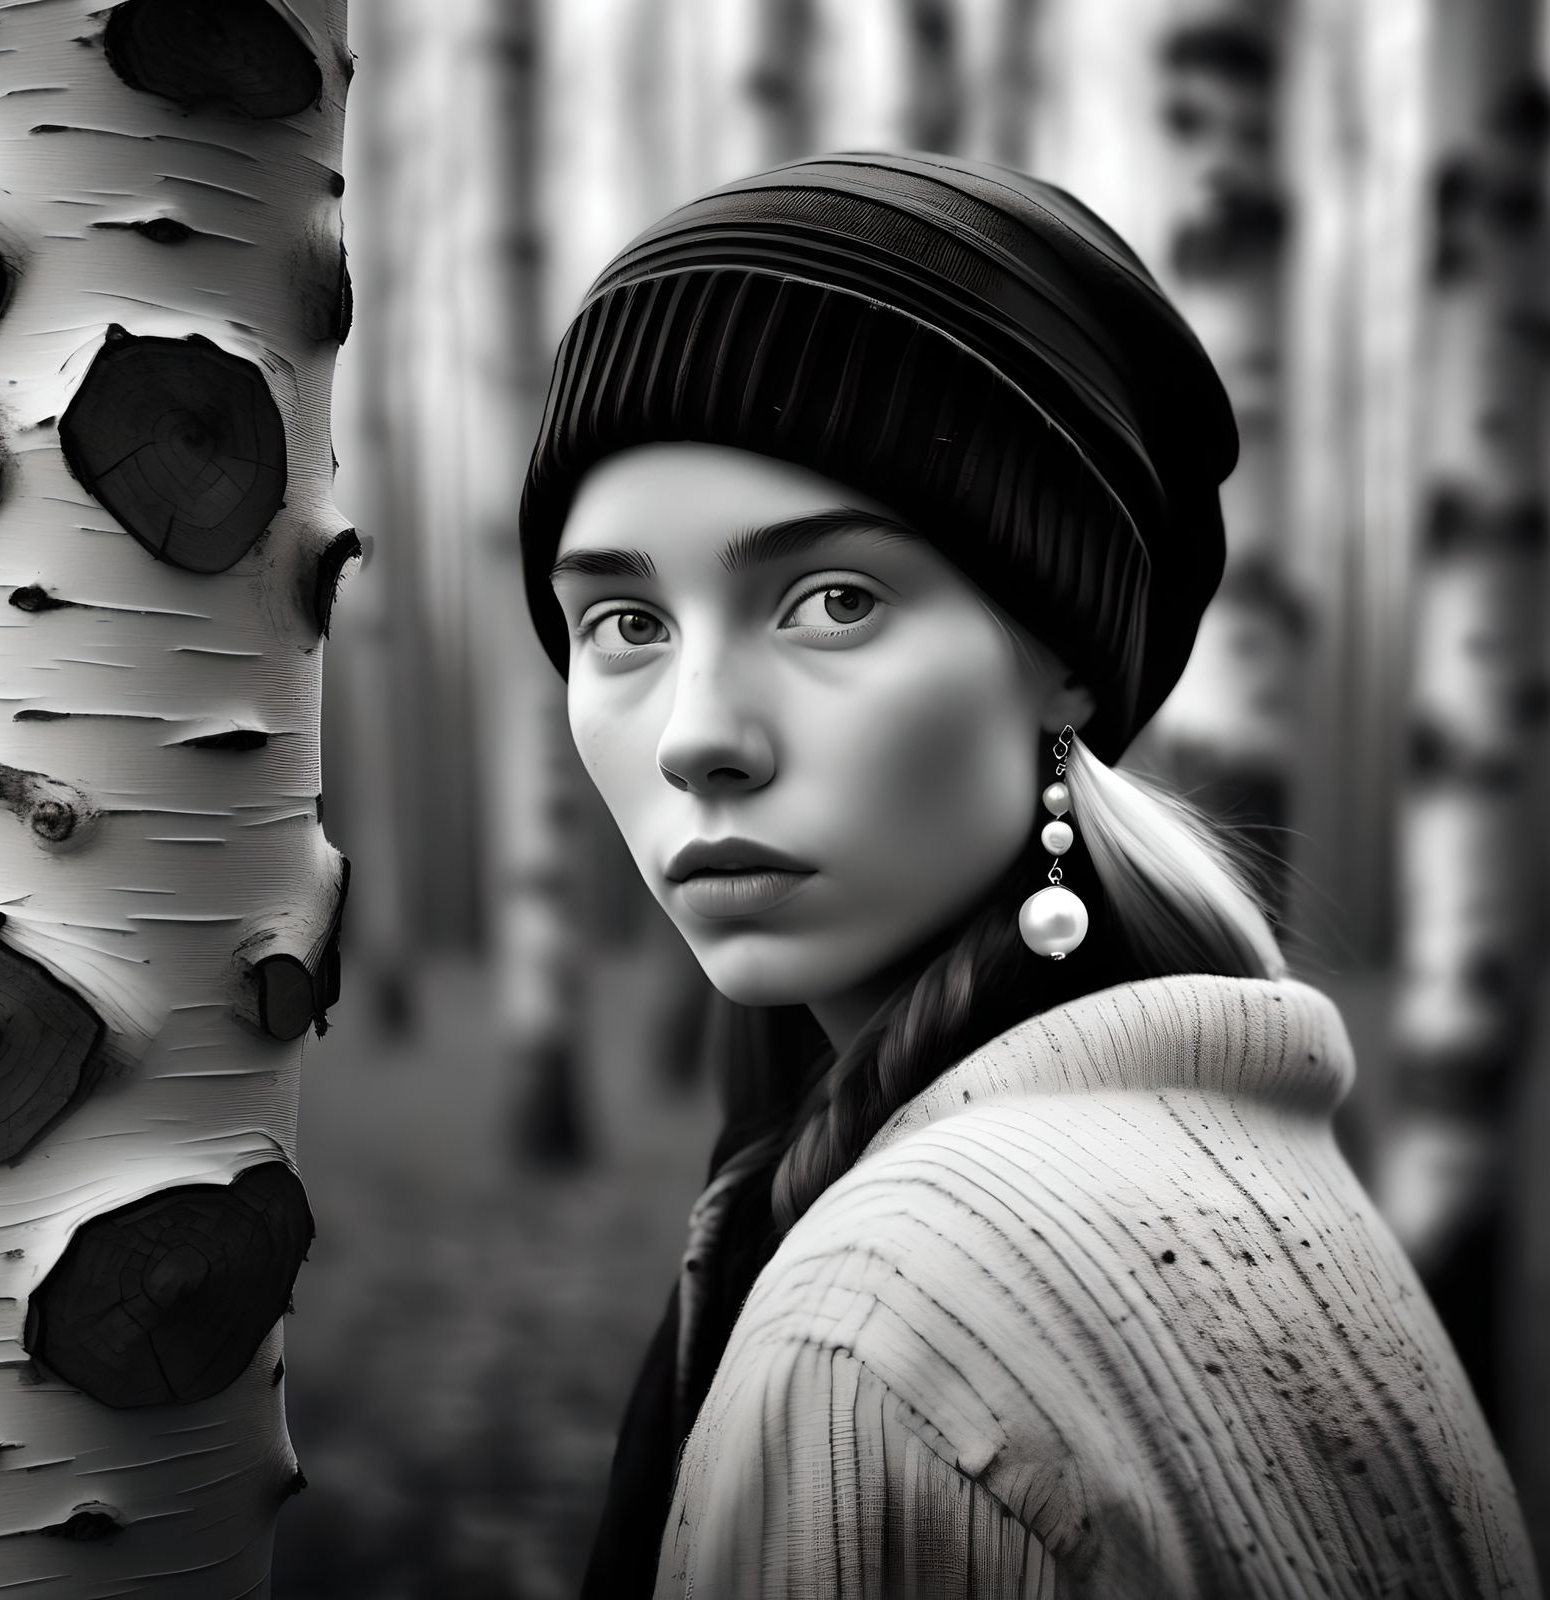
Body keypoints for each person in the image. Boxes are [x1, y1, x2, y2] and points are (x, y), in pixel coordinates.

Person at [516, 152, 1540, 1598]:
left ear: (1060, 657)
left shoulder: (876, 1332)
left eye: (832, 600)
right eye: (622, 621)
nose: (697, 739)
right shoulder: (1243, 1147)